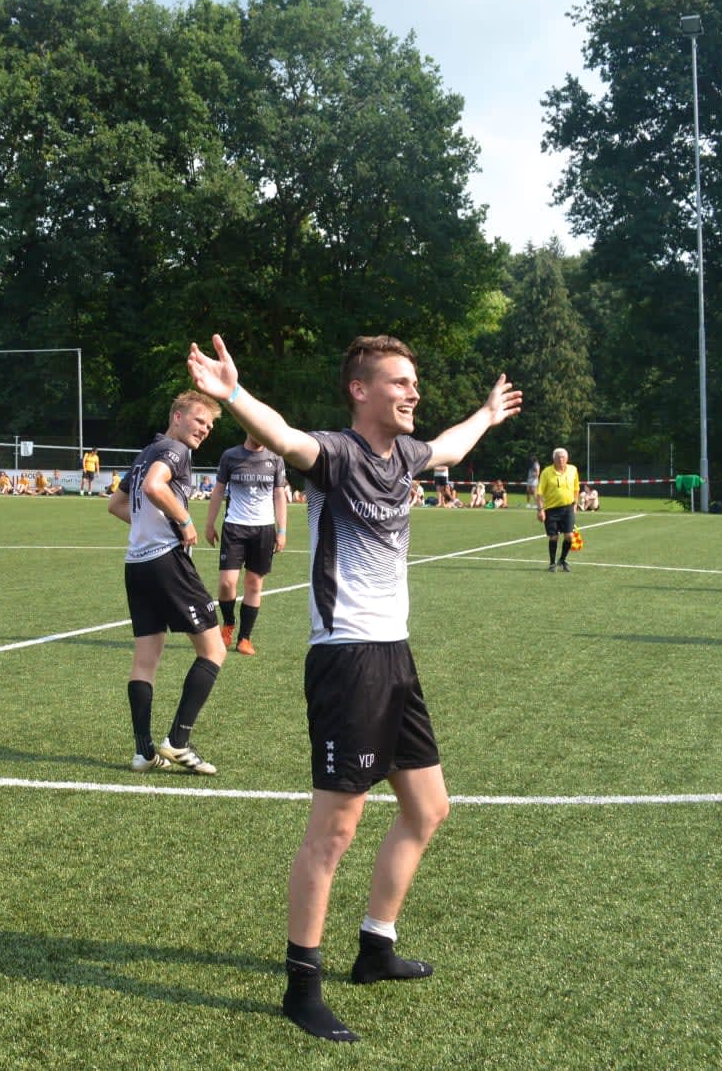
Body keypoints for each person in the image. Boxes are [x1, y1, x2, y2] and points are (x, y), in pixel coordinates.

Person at [186, 331, 520, 1043]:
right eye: (399, 381)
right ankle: (300, 985)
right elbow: (280, 435)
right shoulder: (334, 455)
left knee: (428, 808)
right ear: (360, 390)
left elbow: (453, 448)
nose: (413, 392)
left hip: (395, 654)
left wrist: (489, 412)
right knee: (335, 830)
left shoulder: (406, 455)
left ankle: (375, 947)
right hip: (347, 661)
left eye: (415, 382)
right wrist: (233, 394)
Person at [107, 391, 226, 776]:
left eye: (209, 426)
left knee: (146, 660)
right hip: (166, 563)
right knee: (213, 650)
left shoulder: (146, 452)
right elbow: (155, 488)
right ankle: (178, 741)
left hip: (136, 564)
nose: (204, 430)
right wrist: (184, 522)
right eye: (199, 421)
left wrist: (151, 526)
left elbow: (116, 505)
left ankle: (144, 752)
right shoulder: (176, 450)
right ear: (177, 417)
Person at [204, 432, 288, 657]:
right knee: (226, 584)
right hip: (234, 527)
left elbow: (279, 495)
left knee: (254, 584)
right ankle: (229, 623)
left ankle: (244, 638)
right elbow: (219, 490)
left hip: (264, 529)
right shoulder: (230, 456)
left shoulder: (276, 458)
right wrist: (209, 523)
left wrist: (282, 530)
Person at [537, 448, 581, 572]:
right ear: (554, 459)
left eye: (563, 457)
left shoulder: (573, 470)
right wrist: (540, 510)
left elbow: (576, 488)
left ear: (567, 458)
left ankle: (562, 560)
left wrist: (575, 504)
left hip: (568, 508)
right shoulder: (546, 472)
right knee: (553, 537)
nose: (561, 459)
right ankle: (552, 563)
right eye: (558, 457)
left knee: (569, 536)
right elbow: (539, 493)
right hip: (551, 509)